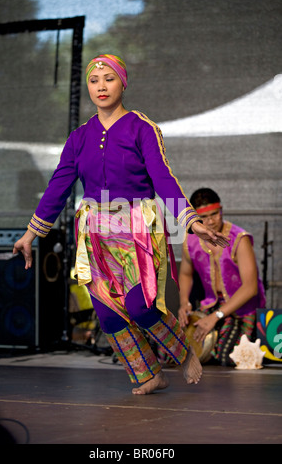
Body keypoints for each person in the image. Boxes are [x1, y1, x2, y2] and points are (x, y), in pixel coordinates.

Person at [13, 54, 229, 394]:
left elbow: (163, 178)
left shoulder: (142, 128)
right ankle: (148, 375)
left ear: (123, 82)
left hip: (136, 229)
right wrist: (31, 233)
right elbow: (58, 187)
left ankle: (183, 352)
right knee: (109, 313)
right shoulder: (79, 137)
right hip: (95, 232)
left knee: (140, 307)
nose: (101, 86)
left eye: (109, 78)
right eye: (94, 80)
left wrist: (191, 221)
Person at [178, 188, 266, 366]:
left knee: (229, 356)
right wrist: (184, 302)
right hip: (212, 303)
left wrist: (215, 317)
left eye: (215, 214)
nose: (210, 221)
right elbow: (186, 273)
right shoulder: (191, 240)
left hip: (241, 308)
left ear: (222, 210)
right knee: (176, 349)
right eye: (204, 217)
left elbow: (250, 288)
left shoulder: (239, 239)